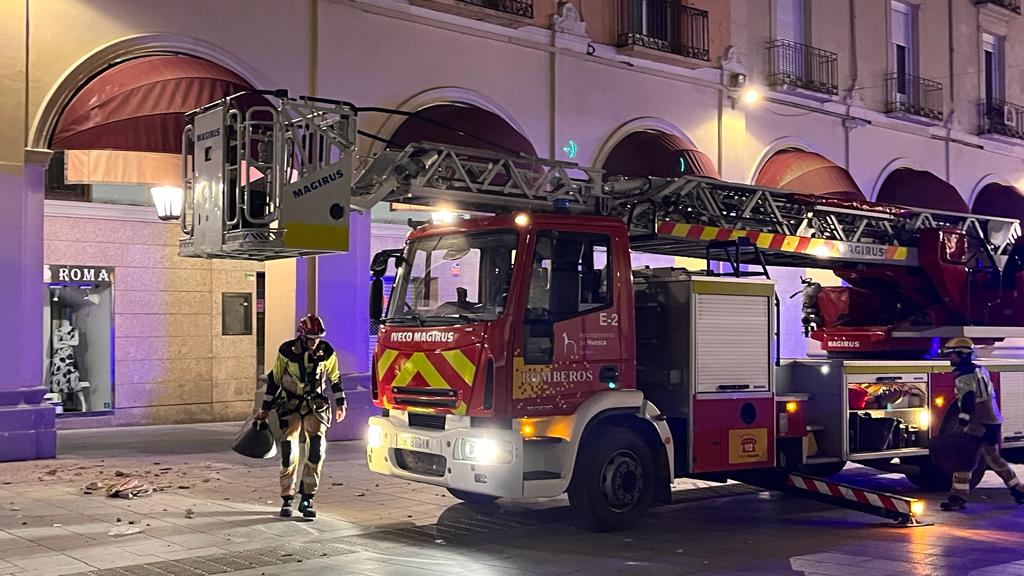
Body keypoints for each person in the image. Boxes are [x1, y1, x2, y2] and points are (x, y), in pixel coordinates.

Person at [256, 314, 346, 519]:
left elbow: (335, 377)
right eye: (311, 338)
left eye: (318, 338)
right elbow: (275, 379)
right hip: (291, 405)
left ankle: (307, 497)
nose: (315, 342)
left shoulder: (327, 351)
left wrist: (341, 403)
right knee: (289, 451)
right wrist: (265, 408)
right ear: (302, 336)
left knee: (316, 450)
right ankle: (287, 498)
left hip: (316, 406)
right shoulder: (287, 351)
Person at [939, 337, 1024, 511]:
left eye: (952, 354)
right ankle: (1019, 490)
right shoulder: (980, 370)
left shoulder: (964, 375)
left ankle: (957, 498)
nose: (949, 358)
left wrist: (963, 420)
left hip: (979, 423)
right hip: (992, 421)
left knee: (965, 459)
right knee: (994, 458)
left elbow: (969, 398)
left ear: (962, 355)